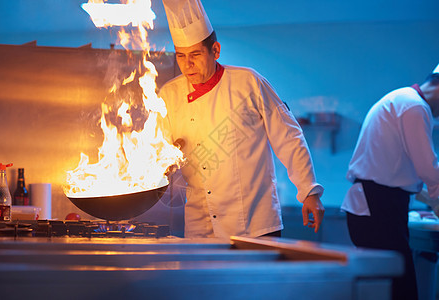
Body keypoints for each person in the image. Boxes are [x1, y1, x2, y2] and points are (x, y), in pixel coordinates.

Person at [158, 0, 325, 240]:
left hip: (254, 224)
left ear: (215, 51)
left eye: (195, 54)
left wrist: (309, 191)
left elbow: (289, 137)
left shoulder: (248, 83)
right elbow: (158, 153)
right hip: (199, 226)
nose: (187, 64)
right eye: (181, 56)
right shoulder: (169, 95)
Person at [341, 65, 439, 300]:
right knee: (399, 290)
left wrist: (429, 197)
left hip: (375, 206)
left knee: (388, 287)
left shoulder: (402, 99)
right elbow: (428, 168)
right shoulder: (414, 105)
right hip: (378, 207)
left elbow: (401, 170)